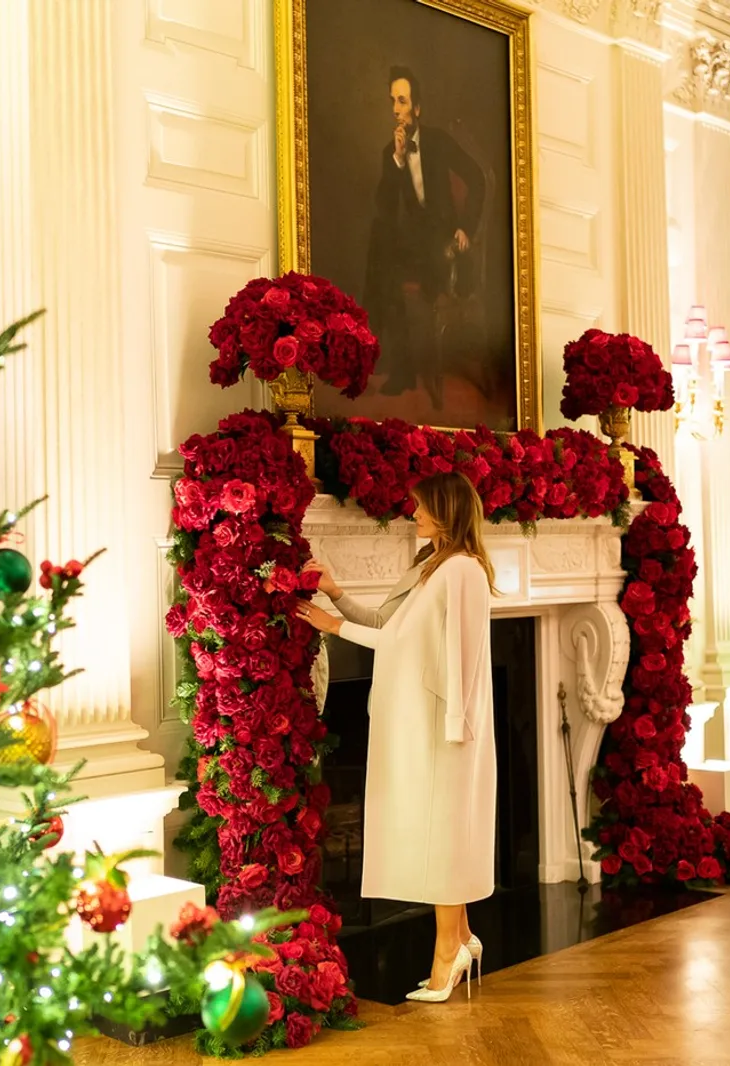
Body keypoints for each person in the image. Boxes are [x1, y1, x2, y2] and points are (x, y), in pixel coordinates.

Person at [296, 472, 498, 1003]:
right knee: (437, 831)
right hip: (417, 722)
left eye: (421, 507)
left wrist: (332, 626)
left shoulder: (463, 572)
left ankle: (446, 956)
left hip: (444, 726)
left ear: (447, 511)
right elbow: (388, 624)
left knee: (445, 833)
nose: (413, 514)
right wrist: (336, 596)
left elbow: (427, 648)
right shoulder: (429, 566)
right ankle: (460, 937)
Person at [363, 65, 487, 400]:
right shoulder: (390, 152)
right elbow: (385, 208)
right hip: (413, 243)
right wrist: (399, 161)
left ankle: (373, 347)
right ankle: (393, 365)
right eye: (393, 101)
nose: (396, 109)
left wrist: (466, 228)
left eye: (402, 101)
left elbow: (477, 179)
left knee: (386, 257)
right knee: (382, 254)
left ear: (417, 108)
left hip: (443, 240)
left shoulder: (439, 141)